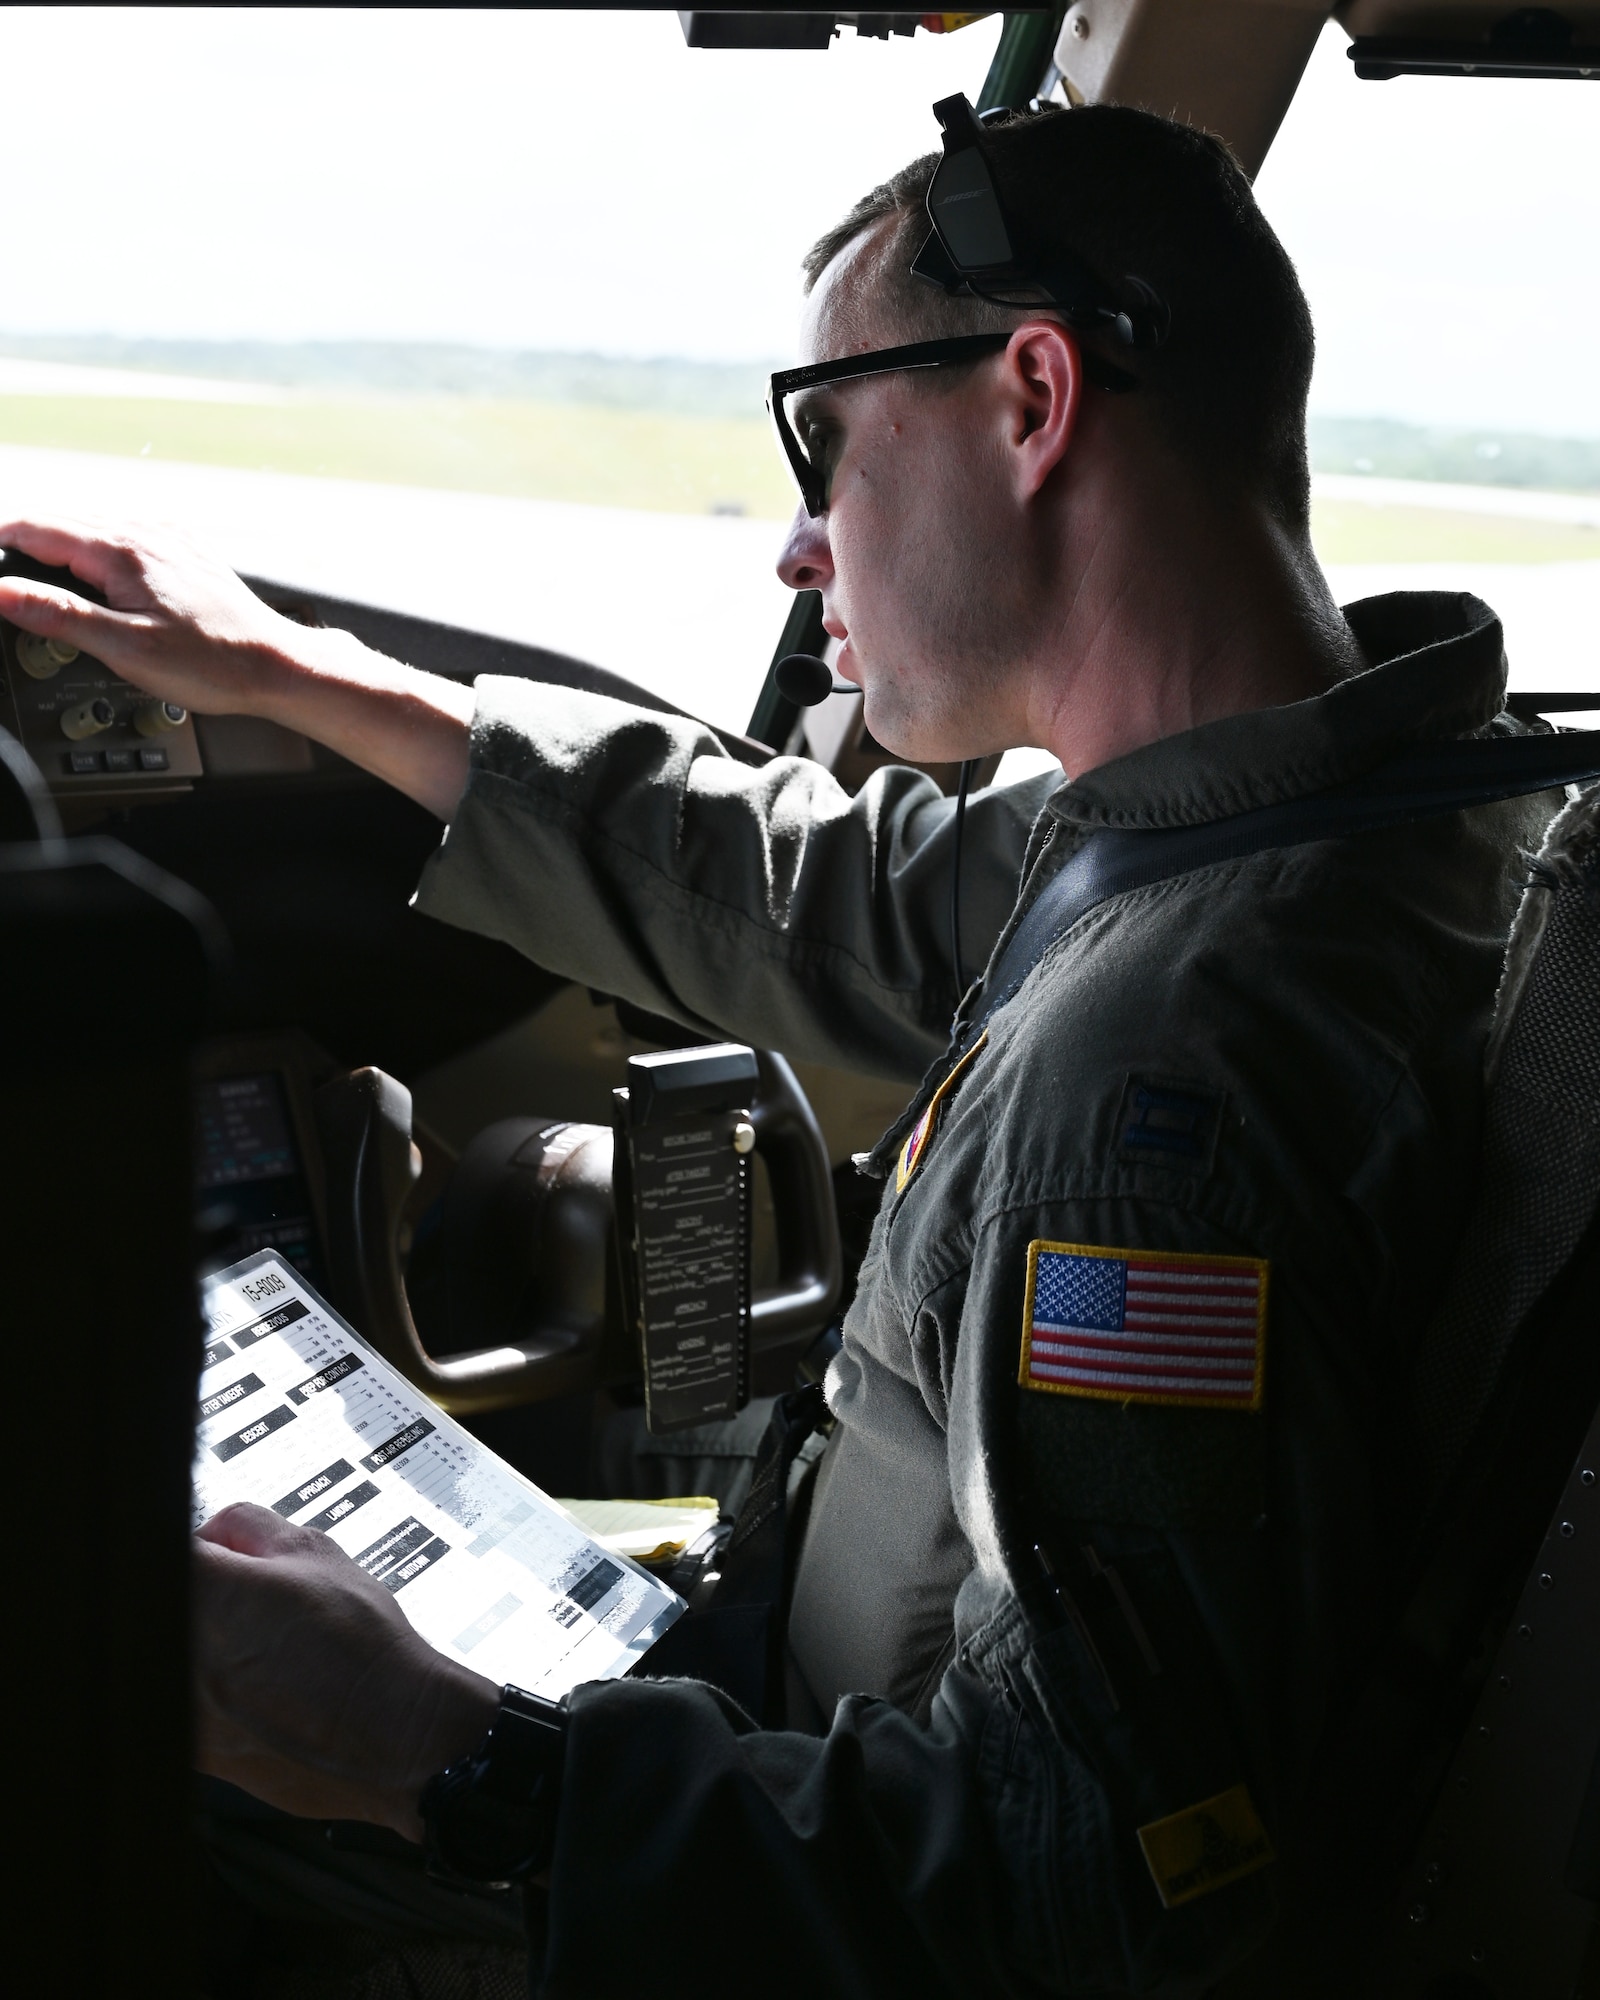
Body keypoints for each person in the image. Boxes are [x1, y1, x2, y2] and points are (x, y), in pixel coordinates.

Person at [0, 102, 1553, 1996]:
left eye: (827, 444)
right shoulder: (1346, 829)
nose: (802, 547)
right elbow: (844, 891)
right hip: (771, 1729)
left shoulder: (1160, 1104)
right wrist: (297, 678)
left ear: (1032, 397)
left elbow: (1100, 1898)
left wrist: (432, 1749)